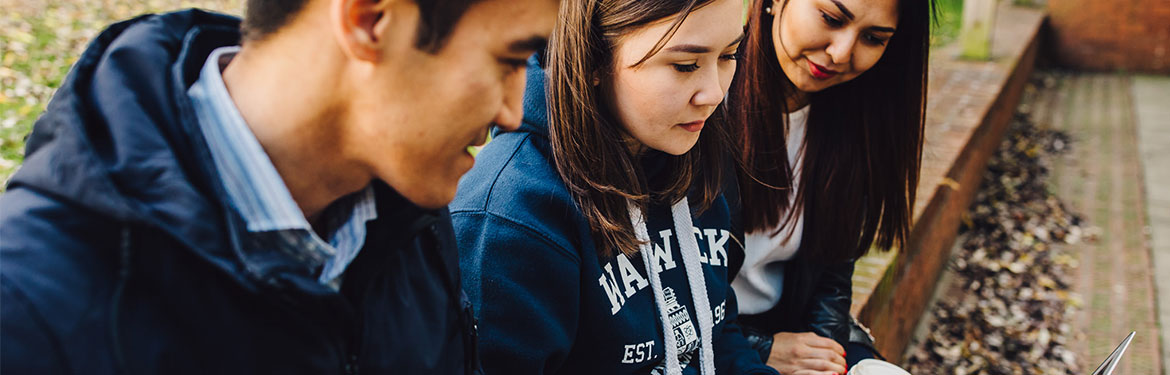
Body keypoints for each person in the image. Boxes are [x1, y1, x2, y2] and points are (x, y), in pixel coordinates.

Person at [0, 0, 556, 372]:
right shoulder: (30, 310)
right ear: (369, 20)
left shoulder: (410, 216)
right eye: (508, 59)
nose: (513, 111)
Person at [450, 0, 775, 373]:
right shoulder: (507, 219)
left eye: (729, 55)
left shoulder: (685, 148)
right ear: (593, 60)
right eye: (684, 65)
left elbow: (714, 332)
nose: (715, 93)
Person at [726, 0, 931, 373]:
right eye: (831, 18)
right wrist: (760, 348)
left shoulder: (857, 124)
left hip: (790, 324)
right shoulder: (701, 106)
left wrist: (826, 354)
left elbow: (833, 273)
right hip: (704, 341)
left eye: (873, 38)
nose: (841, 53)